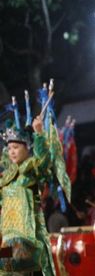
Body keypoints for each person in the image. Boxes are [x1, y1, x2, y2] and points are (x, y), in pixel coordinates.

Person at [0, 115, 56, 275]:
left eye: (16, 147)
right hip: (7, 237)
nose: (12, 152)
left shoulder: (32, 168)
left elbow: (45, 162)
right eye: (9, 148)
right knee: (4, 270)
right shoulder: (7, 177)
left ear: (27, 147)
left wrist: (38, 133)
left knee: (27, 271)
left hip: (29, 237)